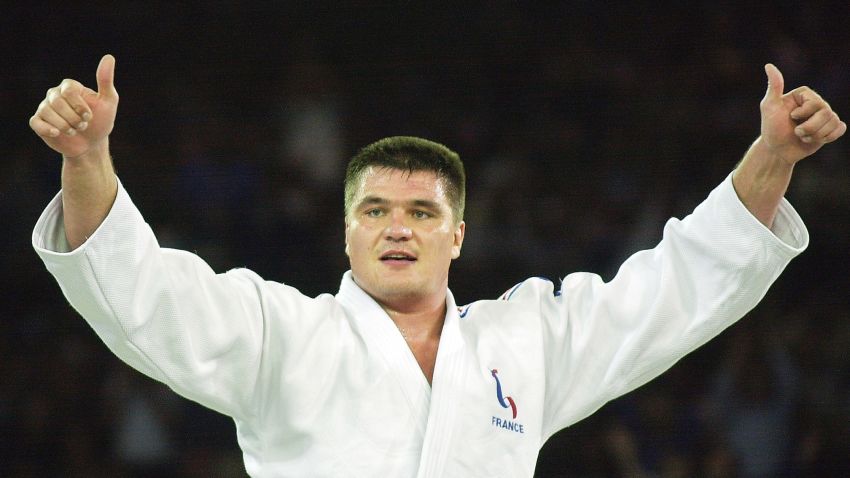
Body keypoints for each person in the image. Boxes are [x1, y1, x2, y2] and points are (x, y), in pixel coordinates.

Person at [29, 54, 844, 477]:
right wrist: (87, 159)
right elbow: (144, 293)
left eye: (423, 214)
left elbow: (675, 288)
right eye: (375, 211)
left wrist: (772, 156)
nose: (398, 229)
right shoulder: (281, 332)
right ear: (345, 234)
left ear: (458, 237)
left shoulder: (525, 341)